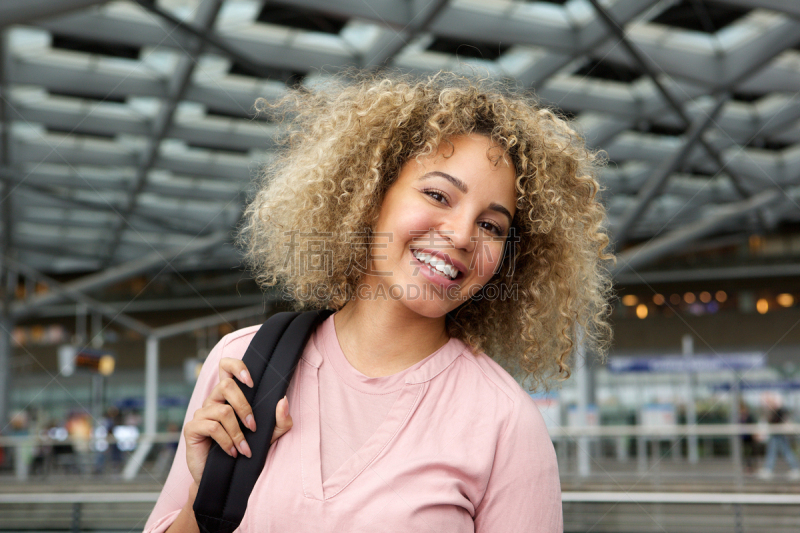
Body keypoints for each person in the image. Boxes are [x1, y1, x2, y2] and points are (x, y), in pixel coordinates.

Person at [144, 70, 613, 532]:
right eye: (437, 194)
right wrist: (202, 500)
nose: (462, 235)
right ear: (370, 197)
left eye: (491, 226)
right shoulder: (242, 365)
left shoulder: (505, 424)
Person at [758, 405, 800, 480]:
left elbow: (775, 420)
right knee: (780, 451)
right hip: (776, 434)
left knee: (780, 452)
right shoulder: (777, 411)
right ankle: (794, 468)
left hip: (778, 434)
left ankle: (769, 469)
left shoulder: (779, 411)